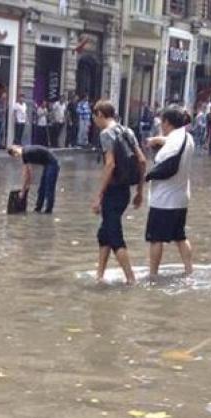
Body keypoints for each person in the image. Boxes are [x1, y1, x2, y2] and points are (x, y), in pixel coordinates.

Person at [91, 100, 147, 285]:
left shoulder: (106, 134)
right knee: (104, 233)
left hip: (113, 191)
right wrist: (139, 191)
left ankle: (131, 279)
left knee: (114, 236)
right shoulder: (127, 131)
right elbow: (142, 161)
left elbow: (110, 164)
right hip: (125, 192)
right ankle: (100, 275)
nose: (94, 120)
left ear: (100, 114)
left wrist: (99, 195)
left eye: (94, 116)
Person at [144, 107, 195, 279]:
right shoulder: (188, 137)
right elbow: (173, 143)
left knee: (156, 239)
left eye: (161, 122)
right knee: (180, 236)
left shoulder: (173, 143)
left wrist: (147, 175)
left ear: (167, 122)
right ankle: (189, 270)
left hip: (164, 200)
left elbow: (164, 165)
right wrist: (158, 139)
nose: (160, 125)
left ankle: (153, 275)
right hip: (181, 197)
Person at [8, 145, 61, 214]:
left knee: (49, 189)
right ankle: (38, 209)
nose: (17, 157)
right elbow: (29, 175)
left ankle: (48, 211)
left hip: (52, 163)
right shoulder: (25, 152)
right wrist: (27, 186)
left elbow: (27, 176)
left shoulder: (25, 154)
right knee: (42, 189)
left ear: (14, 153)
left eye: (15, 156)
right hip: (47, 164)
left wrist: (23, 192)